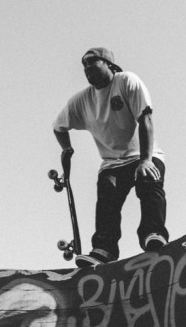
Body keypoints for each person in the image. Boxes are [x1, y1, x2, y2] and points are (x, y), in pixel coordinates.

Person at [52, 47, 169, 267]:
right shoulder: (81, 100)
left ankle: (152, 233)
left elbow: (146, 119)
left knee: (148, 180)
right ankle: (104, 249)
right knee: (107, 200)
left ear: (109, 64)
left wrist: (145, 160)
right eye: (83, 64)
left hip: (144, 153)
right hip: (112, 163)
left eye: (92, 61)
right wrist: (67, 149)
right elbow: (58, 127)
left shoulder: (126, 81)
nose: (86, 68)